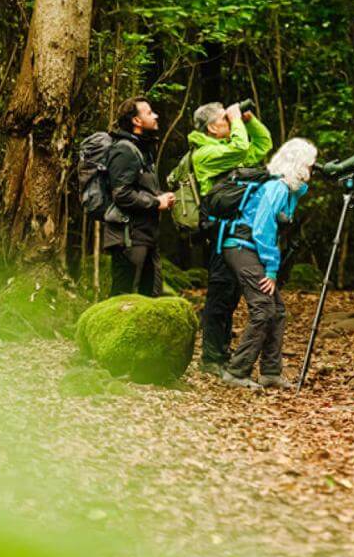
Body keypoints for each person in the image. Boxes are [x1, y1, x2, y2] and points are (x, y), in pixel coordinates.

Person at [217, 138, 316, 389]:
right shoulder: (277, 188)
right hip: (241, 247)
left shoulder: (288, 190)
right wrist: (271, 269)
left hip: (248, 248)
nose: (312, 170)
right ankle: (237, 371)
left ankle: (271, 372)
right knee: (263, 309)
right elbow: (262, 230)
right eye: (309, 164)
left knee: (277, 311)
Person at [188, 101, 274, 373]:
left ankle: (221, 354)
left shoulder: (225, 151)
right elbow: (240, 148)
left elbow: (262, 145)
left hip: (236, 235)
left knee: (231, 295)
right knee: (220, 295)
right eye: (225, 120)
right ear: (213, 128)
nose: (230, 122)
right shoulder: (205, 153)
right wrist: (236, 119)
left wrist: (248, 121)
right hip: (219, 236)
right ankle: (211, 358)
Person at [104, 96, 175, 297]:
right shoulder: (124, 150)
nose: (156, 115)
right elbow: (122, 194)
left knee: (151, 298)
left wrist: (162, 197)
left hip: (146, 236)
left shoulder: (142, 150)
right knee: (123, 300)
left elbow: (140, 188)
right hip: (128, 238)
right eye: (149, 113)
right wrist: (155, 202)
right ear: (136, 121)